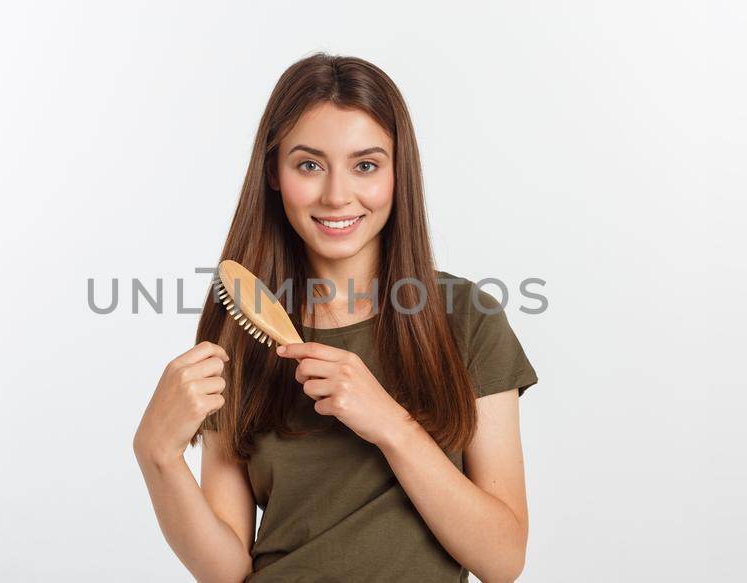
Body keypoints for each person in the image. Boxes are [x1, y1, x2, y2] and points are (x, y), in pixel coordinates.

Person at [133, 53, 538, 582]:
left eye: (365, 165)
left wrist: (391, 424)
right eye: (309, 165)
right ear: (274, 173)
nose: (337, 195)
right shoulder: (239, 327)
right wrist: (157, 458)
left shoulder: (467, 319)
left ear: (399, 174)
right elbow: (226, 571)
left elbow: (503, 560)